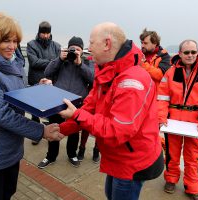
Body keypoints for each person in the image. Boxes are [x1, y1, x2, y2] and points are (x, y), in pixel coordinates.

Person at [0, 13, 64, 200]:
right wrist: (41, 130)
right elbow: (0, 112)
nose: (13, 46)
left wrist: (37, 88)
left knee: (8, 192)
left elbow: (16, 93)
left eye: (15, 41)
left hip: (9, 147)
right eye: (6, 41)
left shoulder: (10, 62)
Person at [59, 22, 164, 200]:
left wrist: (76, 115)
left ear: (107, 44)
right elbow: (91, 105)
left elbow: (118, 130)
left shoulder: (131, 82)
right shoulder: (107, 69)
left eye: (92, 43)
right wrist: (62, 129)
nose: (88, 48)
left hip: (132, 160)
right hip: (117, 155)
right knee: (110, 194)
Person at [157, 39, 198, 200]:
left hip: (195, 123)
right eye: (186, 52)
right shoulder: (170, 73)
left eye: (193, 52)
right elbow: (162, 98)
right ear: (180, 54)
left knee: (194, 157)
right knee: (172, 153)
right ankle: (170, 179)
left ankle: (192, 187)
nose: (190, 55)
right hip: (174, 121)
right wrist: (161, 118)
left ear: (197, 53)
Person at [37, 36, 94, 169]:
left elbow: (93, 79)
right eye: (72, 49)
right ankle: (50, 156)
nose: (74, 52)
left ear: (82, 51)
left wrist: (79, 63)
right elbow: (47, 72)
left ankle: (72, 154)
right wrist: (59, 59)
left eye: (78, 49)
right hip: (57, 103)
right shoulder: (61, 61)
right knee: (54, 128)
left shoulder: (86, 62)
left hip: (76, 105)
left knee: (73, 132)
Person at [27, 21, 61, 145]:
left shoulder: (56, 46)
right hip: (36, 81)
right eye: (43, 33)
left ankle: (50, 133)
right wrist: (53, 62)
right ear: (39, 32)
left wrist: (52, 62)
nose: (45, 36)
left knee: (52, 110)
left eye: (47, 33)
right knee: (34, 111)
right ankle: (36, 134)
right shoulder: (31, 44)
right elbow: (34, 62)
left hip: (51, 82)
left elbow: (60, 63)